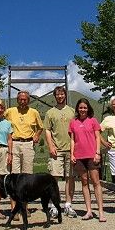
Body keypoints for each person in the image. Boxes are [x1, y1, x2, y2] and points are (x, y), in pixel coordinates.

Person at [69, 98, 106, 222]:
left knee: (96, 182)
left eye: (85, 107)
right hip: (79, 156)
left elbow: (97, 137)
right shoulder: (73, 122)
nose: (83, 110)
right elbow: (72, 139)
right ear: (77, 109)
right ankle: (89, 210)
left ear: (88, 108)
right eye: (80, 107)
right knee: (84, 183)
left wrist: (98, 153)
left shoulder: (93, 121)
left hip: (92, 155)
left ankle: (100, 212)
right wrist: (72, 154)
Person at [44, 85, 77, 217]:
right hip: (56, 150)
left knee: (70, 177)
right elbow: (47, 130)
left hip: (70, 149)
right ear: (55, 96)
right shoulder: (50, 113)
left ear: (65, 95)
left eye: (62, 94)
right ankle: (54, 205)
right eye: (57, 94)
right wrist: (51, 146)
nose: (60, 96)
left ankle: (68, 204)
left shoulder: (72, 112)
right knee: (54, 178)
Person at [5, 91, 44, 174]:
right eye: (20, 99)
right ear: (17, 100)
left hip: (28, 144)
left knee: (27, 173)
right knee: (14, 173)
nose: (22, 102)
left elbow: (40, 127)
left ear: (28, 100)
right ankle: (16, 187)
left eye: (25, 100)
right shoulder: (10, 111)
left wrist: (37, 135)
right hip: (14, 144)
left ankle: (27, 187)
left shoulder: (34, 112)